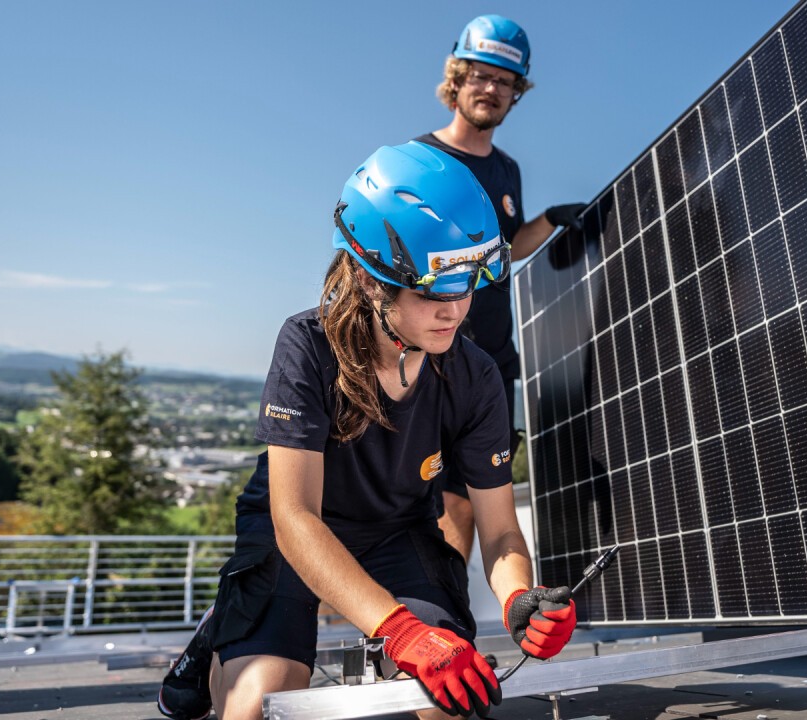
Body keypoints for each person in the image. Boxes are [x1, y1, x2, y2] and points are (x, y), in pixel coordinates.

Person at [156, 142, 577, 720]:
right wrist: (399, 630)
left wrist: (520, 601)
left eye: (470, 284)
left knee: (451, 697)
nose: (456, 311)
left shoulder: (476, 375)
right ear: (371, 279)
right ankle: (227, 623)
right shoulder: (307, 346)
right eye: (435, 291)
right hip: (295, 532)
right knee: (258, 705)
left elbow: (500, 530)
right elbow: (296, 518)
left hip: (397, 533)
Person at [415, 14, 586, 562]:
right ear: (457, 78)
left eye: (504, 81)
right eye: (481, 74)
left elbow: (503, 255)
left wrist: (551, 221)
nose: (491, 88)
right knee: (424, 501)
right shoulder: (420, 163)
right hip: (426, 356)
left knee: (467, 504)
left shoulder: (508, 171)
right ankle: (408, 636)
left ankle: (447, 631)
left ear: (516, 93)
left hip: (489, 362)